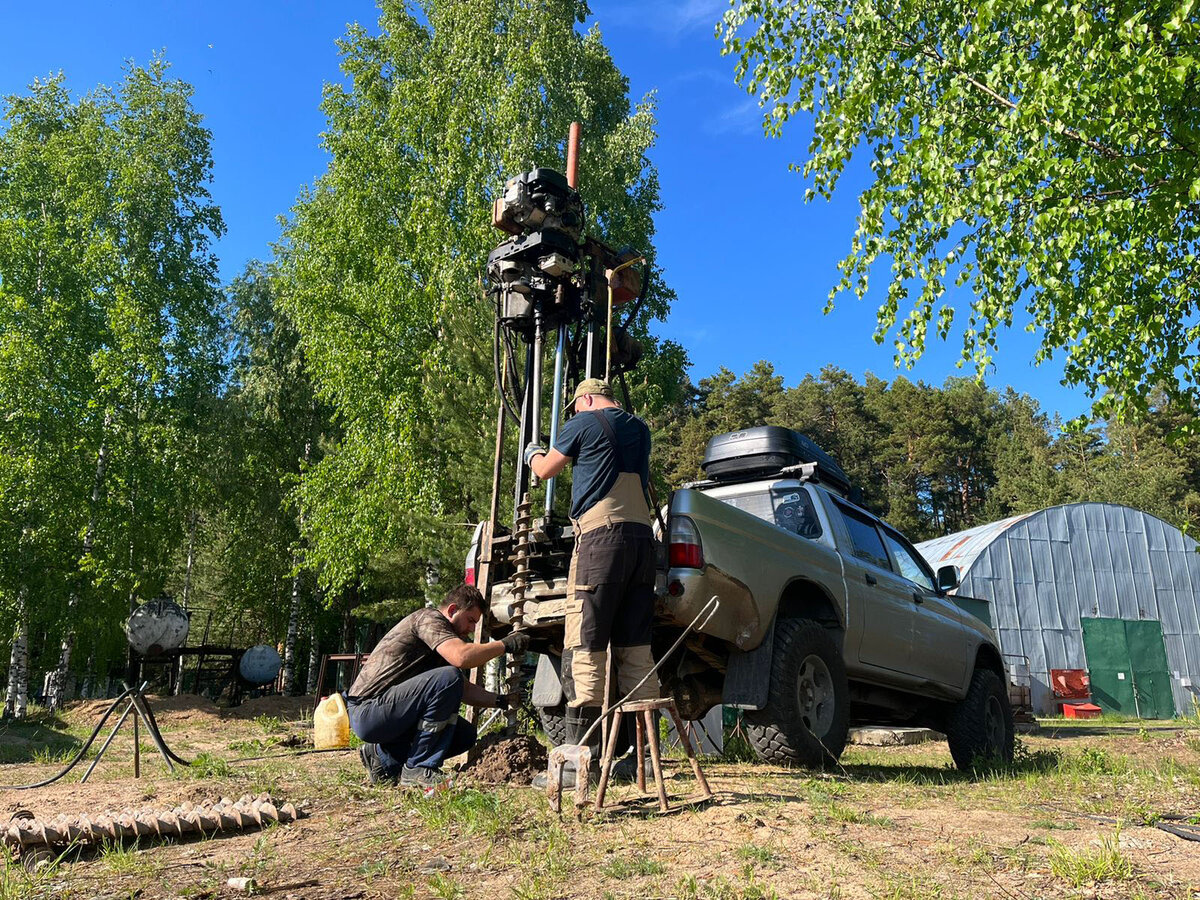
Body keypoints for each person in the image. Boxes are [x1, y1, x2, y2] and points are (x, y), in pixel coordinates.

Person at [525, 378, 659, 783]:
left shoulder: (582, 422)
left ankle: (581, 762)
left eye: (576, 406)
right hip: (642, 542)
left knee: (585, 644)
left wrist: (533, 453)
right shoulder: (640, 429)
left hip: (601, 541)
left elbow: (547, 470)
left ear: (585, 399)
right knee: (637, 648)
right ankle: (646, 759)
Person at [344, 583, 529, 794]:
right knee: (449, 678)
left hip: (387, 712)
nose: (471, 629)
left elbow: (462, 688)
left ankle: (382, 759)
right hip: (368, 710)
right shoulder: (429, 619)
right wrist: (504, 645)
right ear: (452, 610)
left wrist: (500, 701)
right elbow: (461, 658)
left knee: (465, 735)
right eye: (470, 620)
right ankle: (418, 768)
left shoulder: (443, 644)